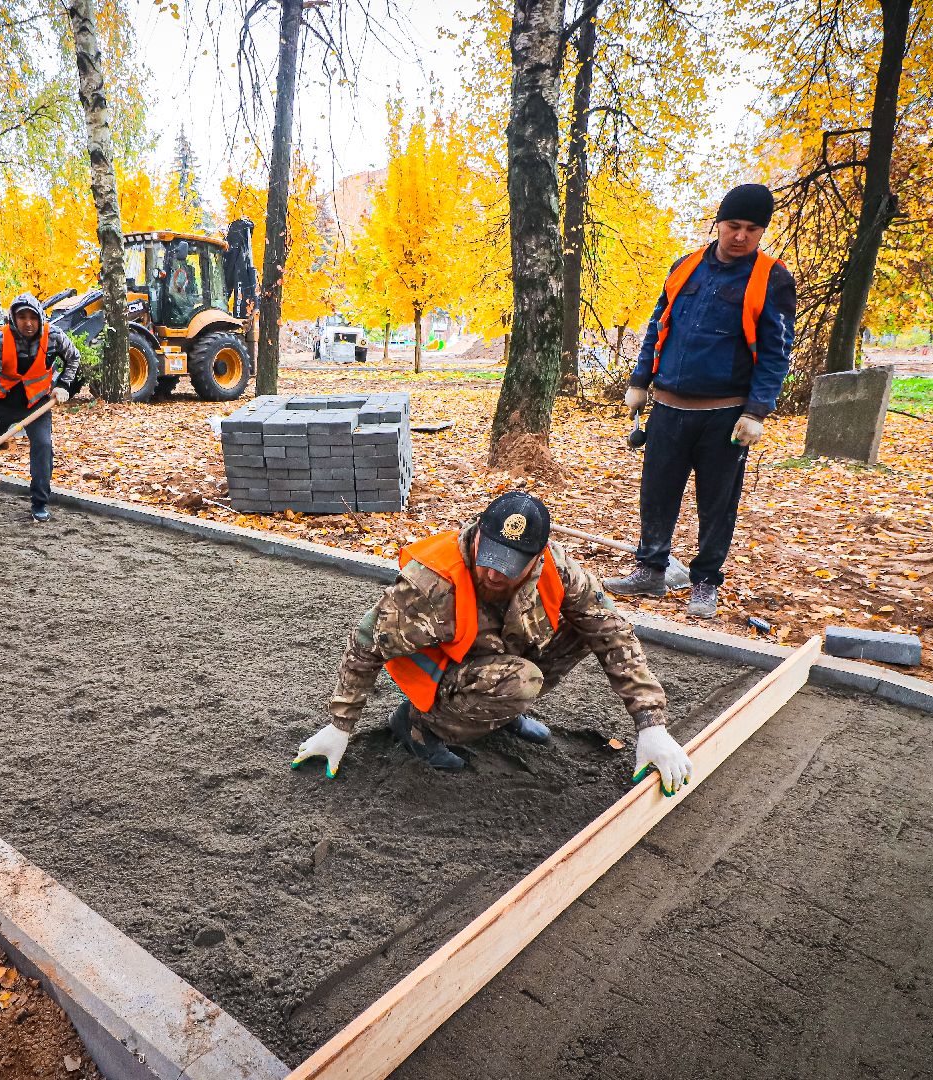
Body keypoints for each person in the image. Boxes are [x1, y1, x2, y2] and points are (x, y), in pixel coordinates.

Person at [291, 491, 693, 794]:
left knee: (584, 628)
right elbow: (366, 642)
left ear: (538, 557)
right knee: (521, 681)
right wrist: (339, 726)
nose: (494, 574)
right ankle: (418, 726)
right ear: (479, 532)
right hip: (441, 679)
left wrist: (651, 725)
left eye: (510, 565)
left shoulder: (557, 569)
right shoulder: (430, 583)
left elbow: (613, 630)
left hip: (497, 657)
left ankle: (496, 711)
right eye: (490, 556)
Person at [605, 183, 797, 619]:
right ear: (718, 223)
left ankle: (706, 582)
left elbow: (776, 352)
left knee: (717, 502)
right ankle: (650, 569)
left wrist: (757, 411)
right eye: (733, 225)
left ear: (762, 232)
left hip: (725, 416)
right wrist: (640, 380)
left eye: (752, 229)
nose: (741, 236)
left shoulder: (772, 278)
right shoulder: (685, 267)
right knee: (657, 493)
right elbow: (658, 326)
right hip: (669, 409)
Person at [0, 292, 82, 522]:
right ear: (13, 318)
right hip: (3, 401)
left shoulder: (54, 336)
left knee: (43, 446)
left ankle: (39, 502)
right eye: (22, 317)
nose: (28, 323)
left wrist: (63, 385)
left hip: (37, 403)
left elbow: (73, 357)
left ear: (40, 317)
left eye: (32, 317)